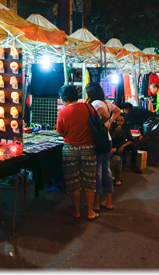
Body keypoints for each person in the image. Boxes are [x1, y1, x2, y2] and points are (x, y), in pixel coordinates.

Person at [56, 85, 100, 221]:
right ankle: (90, 212)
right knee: (89, 180)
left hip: (70, 150)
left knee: (73, 181)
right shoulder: (89, 108)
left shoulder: (62, 113)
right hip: (89, 149)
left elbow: (60, 132)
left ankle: (76, 211)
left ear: (64, 99)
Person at [85, 82, 121, 211]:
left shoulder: (95, 104)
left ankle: (95, 203)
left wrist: (104, 122)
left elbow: (105, 115)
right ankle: (108, 202)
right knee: (106, 170)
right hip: (108, 139)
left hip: (99, 140)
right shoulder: (106, 102)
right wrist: (110, 122)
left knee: (97, 171)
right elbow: (118, 111)